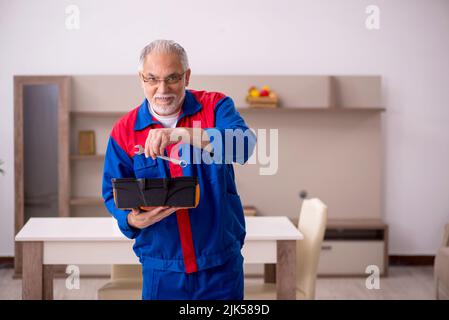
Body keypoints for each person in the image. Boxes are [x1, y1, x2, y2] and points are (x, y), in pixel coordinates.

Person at [102, 39, 256, 300]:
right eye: (152, 79)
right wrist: (129, 220)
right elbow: (111, 192)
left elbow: (244, 145)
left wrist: (184, 134)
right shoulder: (124, 131)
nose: (162, 89)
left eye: (172, 78)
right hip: (162, 270)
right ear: (141, 78)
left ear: (187, 76)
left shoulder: (216, 106)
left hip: (220, 267)